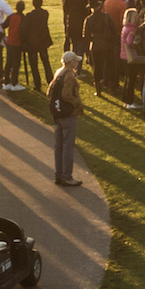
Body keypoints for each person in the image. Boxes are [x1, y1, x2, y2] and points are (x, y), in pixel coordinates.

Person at [48, 51, 85, 187]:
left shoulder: (59, 72)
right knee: (68, 146)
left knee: (58, 146)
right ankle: (67, 177)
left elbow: (49, 92)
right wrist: (77, 103)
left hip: (57, 115)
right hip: (68, 115)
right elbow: (66, 94)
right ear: (71, 62)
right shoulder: (69, 75)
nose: (77, 63)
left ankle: (59, 175)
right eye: (75, 61)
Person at [21, 0, 54, 89]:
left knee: (34, 64)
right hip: (43, 41)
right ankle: (50, 81)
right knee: (45, 62)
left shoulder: (29, 16)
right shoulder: (45, 13)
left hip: (33, 42)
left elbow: (25, 29)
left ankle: (37, 83)